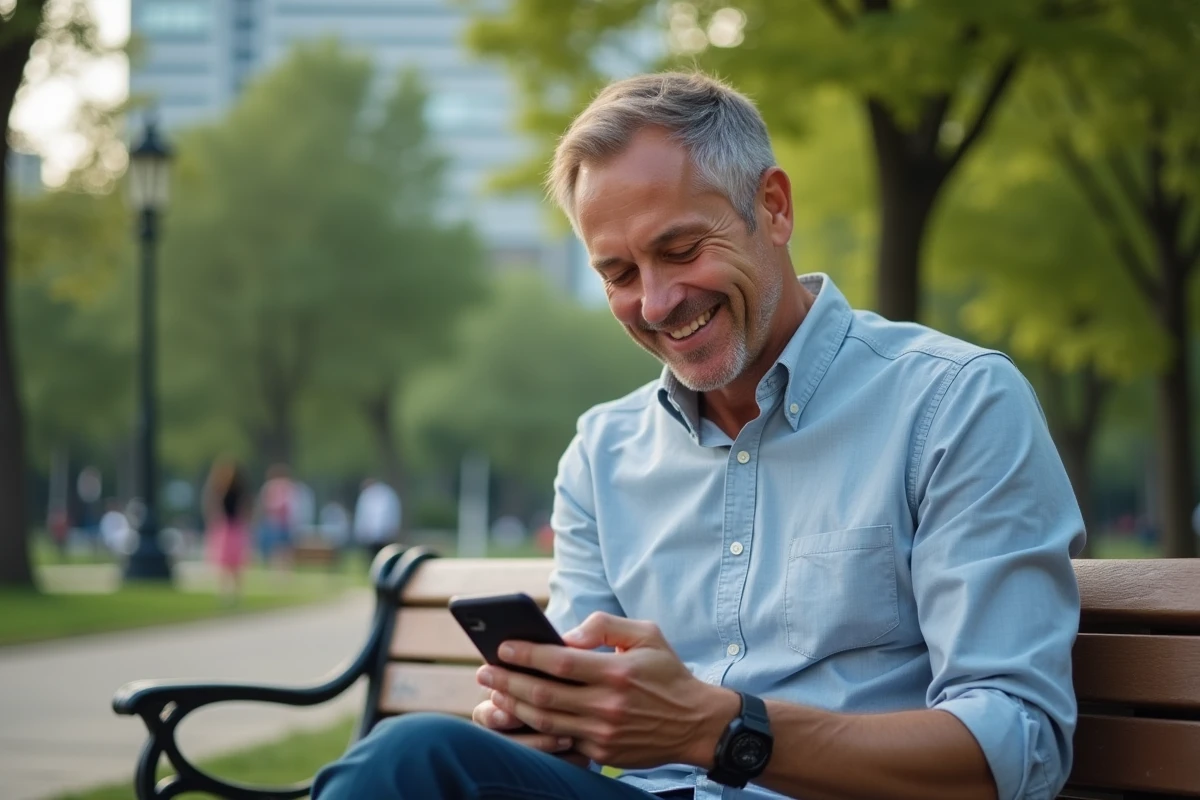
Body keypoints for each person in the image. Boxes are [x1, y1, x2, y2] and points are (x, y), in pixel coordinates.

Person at [312, 72, 1085, 800]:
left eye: (680, 251)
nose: (655, 303)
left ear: (773, 208)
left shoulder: (955, 404)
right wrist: (552, 724)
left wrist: (719, 729)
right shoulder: (601, 454)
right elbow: (583, 727)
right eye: (619, 274)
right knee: (413, 759)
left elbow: (1020, 745)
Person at [203, 459, 251, 605]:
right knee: (223, 563)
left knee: (236, 563)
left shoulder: (239, 490)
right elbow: (213, 506)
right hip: (224, 526)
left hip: (236, 526)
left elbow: (246, 506)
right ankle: (224, 594)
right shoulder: (219, 489)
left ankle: (236, 594)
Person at [352, 478, 401, 564]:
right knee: (373, 557)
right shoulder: (367, 496)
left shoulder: (385, 494)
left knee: (384, 556)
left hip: (383, 533)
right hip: (371, 534)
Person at [256, 463, 295, 569]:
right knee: (279, 547)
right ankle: (280, 566)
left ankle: (280, 566)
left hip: (280, 523)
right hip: (276, 522)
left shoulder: (282, 487)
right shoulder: (280, 487)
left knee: (281, 547)